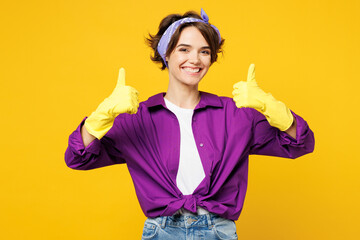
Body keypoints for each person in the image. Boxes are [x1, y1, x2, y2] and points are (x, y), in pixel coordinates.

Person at [65, 8, 315, 240]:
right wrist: (101, 115)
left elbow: (298, 144)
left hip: (219, 231)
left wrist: (271, 107)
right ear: (167, 53)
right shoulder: (137, 119)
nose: (195, 59)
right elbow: (78, 158)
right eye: (184, 49)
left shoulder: (236, 115)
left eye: (204, 51)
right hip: (161, 231)